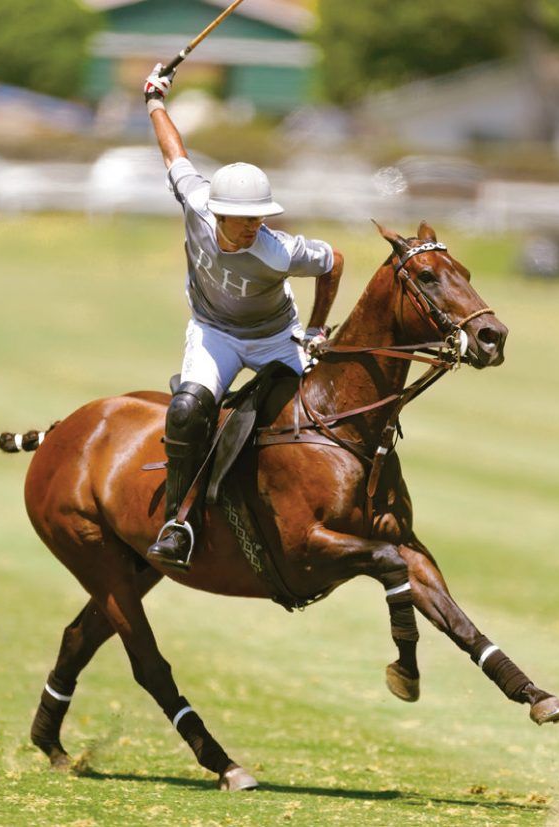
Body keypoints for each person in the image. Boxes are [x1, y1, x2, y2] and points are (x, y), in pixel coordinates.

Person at [143, 63, 344, 568]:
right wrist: (155, 100)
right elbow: (174, 151)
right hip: (215, 334)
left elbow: (333, 261)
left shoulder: (279, 251)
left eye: (261, 216)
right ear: (220, 213)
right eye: (247, 218)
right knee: (188, 409)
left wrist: (317, 328)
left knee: (320, 419)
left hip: (277, 338)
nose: (256, 225)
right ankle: (178, 524)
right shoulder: (196, 202)